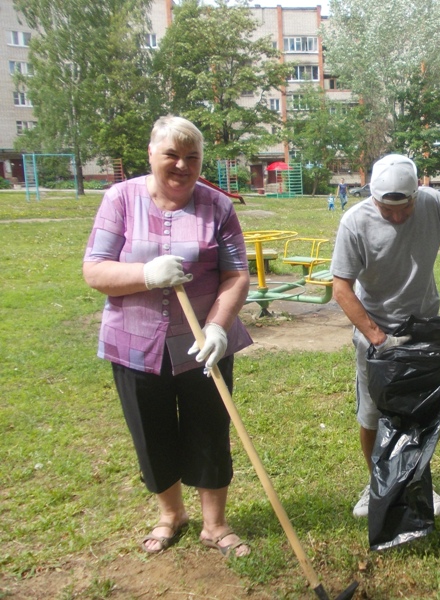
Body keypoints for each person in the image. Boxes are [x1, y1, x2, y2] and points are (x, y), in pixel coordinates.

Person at [83, 116, 253, 558]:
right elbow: (95, 270)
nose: (182, 165)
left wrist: (218, 325)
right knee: (151, 432)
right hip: (135, 343)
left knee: (210, 429)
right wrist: (145, 273)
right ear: (151, 155)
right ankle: (171, 515)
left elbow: (236, 274)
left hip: (203, 343)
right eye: (171, 155)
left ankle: (215, 525)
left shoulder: (218, 206)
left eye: (192, 157)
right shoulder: (119, 199)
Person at [331, 154, 440, 519]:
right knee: (372, 413)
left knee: (420, 413)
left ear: (418, 191)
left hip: (424, 326)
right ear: (374, 196)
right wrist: (377, 337)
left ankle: (417, 484)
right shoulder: (355, 222)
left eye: (405, 207)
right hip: (375, 329)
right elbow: (341, 288)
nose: (398, 217)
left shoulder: (433, 203)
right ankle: (376, 486)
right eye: (388, 209)